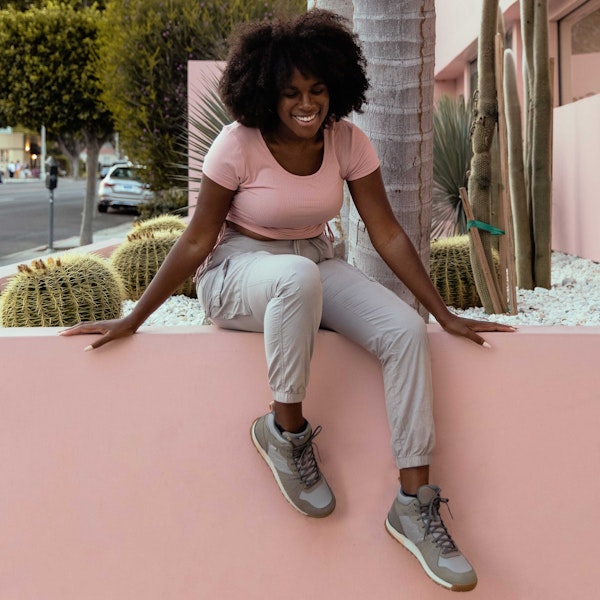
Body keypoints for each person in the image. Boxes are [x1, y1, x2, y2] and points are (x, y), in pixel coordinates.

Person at [61, 9, 515, 592]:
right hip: (237, 272)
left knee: (403, 329)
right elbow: (198, 239)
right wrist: (133, 317)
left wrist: (444, 314)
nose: (308, 104)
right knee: (295, 276)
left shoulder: (347, 140)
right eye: (292, 93)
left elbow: (388, 232)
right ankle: (285, 432)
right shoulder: (237, 145)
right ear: (266, 94)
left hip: (314, 266)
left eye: (318, 90)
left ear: (336, 87)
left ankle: (412, 504)